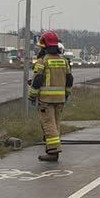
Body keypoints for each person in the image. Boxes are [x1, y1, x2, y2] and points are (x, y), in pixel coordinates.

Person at [28, 32, 73, 162]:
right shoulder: (64, 61)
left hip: (46, 100)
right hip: (60, 99)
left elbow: (37, 80)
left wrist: (32, 95)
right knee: (55, 125)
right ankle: (51, 148)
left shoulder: (43, 61)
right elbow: (69, 79)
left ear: (45, 46)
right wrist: (67, 94)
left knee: (48, 125)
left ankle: (53, 152)